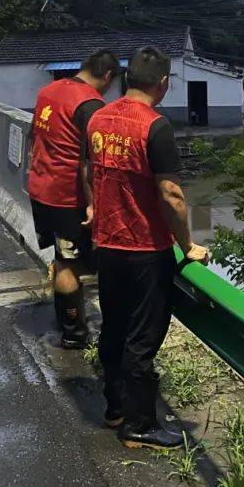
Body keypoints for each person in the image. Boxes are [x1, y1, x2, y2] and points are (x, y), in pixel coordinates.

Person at [84, 45, 208, 450]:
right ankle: (139, 424)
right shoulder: (155, 127)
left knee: (114, 327)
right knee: (142, 337)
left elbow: (88, 169)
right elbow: (171, 194)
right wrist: (187, 245)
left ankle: (114, 407)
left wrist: (93, 205)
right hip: (144, 249)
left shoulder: (98, 118)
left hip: (107, 242)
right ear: (164, 83)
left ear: (125, 79)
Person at [28, 48, 121, 348]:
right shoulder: (90, 106)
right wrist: (95, 203)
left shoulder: (49, 91)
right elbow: (89, 164)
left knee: (62, 257)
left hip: (40, 188)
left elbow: (34, 137)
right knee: (68, 263)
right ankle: (74, 333)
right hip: (66, 197)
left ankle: (66, 316)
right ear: (107, 76)